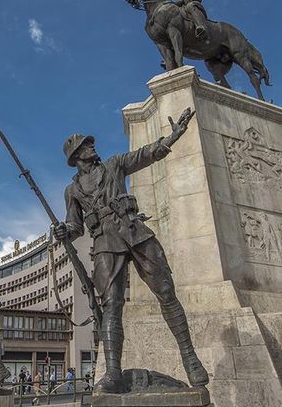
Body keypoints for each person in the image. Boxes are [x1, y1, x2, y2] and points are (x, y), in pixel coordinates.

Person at [54, 110, 208, 393]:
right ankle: (113, 373)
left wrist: (171, 138)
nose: (92, 146)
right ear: (76, 157)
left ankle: (190, 357)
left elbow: (144, 155)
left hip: (134, 231)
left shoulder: (113, 165)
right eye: (86, 145)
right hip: (104, 244)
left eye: (90, 143)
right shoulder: (71, 191)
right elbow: (75, 225)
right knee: (111, 304)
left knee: (165, 291)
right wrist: (65, 230)